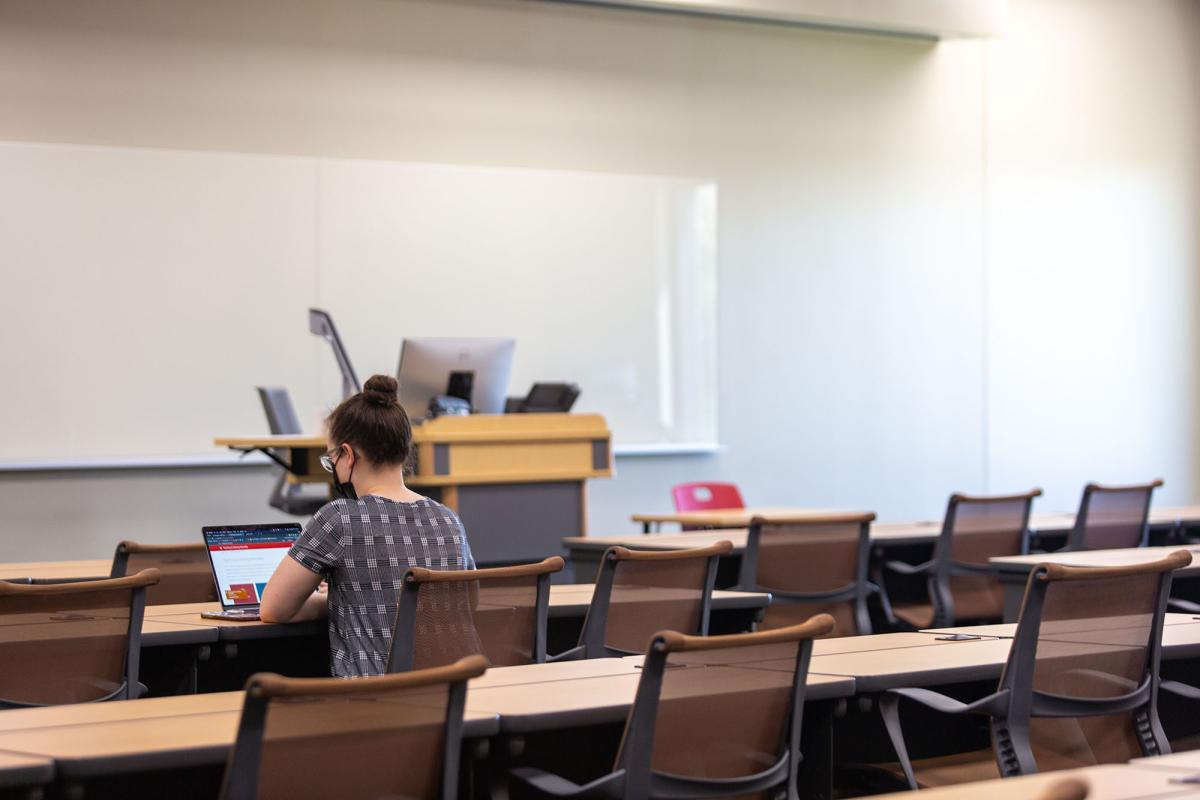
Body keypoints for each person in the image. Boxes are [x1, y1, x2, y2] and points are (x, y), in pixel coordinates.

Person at [261, 374, 475, 677]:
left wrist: (332, 598)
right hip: (449, 697)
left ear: (347, 455)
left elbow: (273, 608)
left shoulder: (339, 518)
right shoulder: (449, 519)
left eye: (331, 458)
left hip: (372, 702)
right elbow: (468, 601)